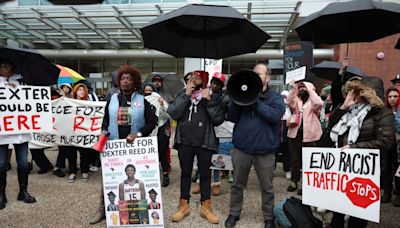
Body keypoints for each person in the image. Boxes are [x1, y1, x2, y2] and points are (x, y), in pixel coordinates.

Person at [89, 65, 157, 225]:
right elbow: (105, 119)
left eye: (129, 79)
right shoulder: (112, 99)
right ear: (119, 82)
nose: (125, 81)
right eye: (123, 79)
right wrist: (104, 130)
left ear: (135, 83)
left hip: (135, 147)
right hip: (114, 146)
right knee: (109, 179)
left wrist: (138, 134)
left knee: (135, 178)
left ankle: (135, 212)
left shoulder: (142, 101)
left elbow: (152, 121)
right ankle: (102, 210)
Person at [328, 77, 395, 228]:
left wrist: (354, 148)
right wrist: (343, 108)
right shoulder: (348, 110)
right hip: (343, 167)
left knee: (358, 211)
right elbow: (329, 129)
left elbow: (386, 141)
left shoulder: (383, 114)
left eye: (359, 93)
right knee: (338, 207)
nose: (354, 96)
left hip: (365, 171)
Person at [224, 63, 285, 228]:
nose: (257, 76)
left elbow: (274, 116)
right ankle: (234, 213)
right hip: (241, 149)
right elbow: (231, 117)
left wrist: (254, 101)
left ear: (268, 78)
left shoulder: (275, 98)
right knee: (237, 184)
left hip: (265, 151)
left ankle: (268, 217)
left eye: (260, 74)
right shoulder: (243, 95)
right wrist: (239, 99)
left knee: (267, 187)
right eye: (255, 73)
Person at [168, 70, 224, 224]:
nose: (193, 79)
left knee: (205, 175)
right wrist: (186, 94)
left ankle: (206, 207)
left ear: (204, 79)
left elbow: (218, 119)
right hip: (184, 142)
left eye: (197, 77)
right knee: (185, 173)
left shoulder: (213, 96)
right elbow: (173, 113)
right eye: (191, 77)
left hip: (204, 142)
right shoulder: (183, 94)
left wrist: (208, 101)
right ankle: (183, 205)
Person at [0, 58, 36, 210]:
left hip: (21, 129)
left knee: (22, 162)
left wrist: (17, 91)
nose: (7, 69)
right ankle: (1, 194)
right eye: (3, 66)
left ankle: (23, 191)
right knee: (1, 164)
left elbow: (33, 101)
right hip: (2, 130)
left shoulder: (22, 84)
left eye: (9, 66)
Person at [286, 80, 324, 195]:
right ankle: (294, 181)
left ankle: (307, 184)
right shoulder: (296, 100)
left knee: (308, 161)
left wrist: (310, 89)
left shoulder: (313, 102)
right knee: (295, 160)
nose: (302, 90)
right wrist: (293, 89)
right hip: (295, 134)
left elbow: (319, 103)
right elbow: (289, 101)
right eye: (300, 88)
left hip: (310, 136)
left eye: (304, 88)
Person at [143, 83, 171, 187]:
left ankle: (165, 175)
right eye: (145, 90)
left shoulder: (160, 99)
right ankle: (150, 176)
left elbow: (168, 115)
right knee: (148, 155)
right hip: (148, 131)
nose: (147, 92)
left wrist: (162, 104)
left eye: (150, 90)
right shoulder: (140, 101)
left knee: (162, 153)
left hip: (160, 129)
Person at [66, 83, 92, 182]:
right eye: (79, 89)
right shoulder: (69, 102)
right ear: (75, 91)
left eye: (83, 90)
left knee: (85, 153)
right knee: (71, 153)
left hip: (84, 133)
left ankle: (84, 171)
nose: (81, 91)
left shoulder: (90, 104)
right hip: (72, 132)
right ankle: (72, 172)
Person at [52, 83, 74, 178]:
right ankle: (57, 167)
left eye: (67, 87)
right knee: (63, 147)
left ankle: (65, 167)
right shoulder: (59, 97)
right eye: (64, 87)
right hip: (61, 127)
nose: (66, 89)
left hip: (70, 127)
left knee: (69, 147)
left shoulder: (73, 98)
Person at [385, 87, 400, 205]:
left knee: (398, 169)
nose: (392, 99)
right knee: (386, 169)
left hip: (398, 145)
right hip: (387, 144)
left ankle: (398, 194)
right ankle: (387, 193)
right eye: (390, 97)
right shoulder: (385, 111)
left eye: (395, 96)